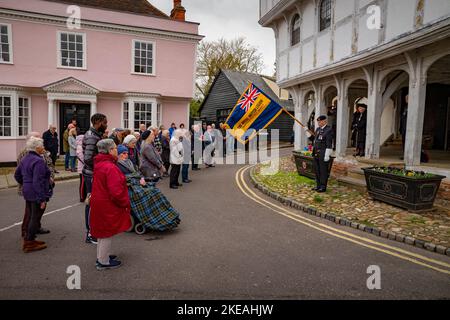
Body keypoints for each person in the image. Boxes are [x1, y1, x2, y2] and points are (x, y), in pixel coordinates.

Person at [89, 139, 131, 270]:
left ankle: (102, 256)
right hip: (107, 203)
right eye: (114, 148)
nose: (116, 150)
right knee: (107, 232)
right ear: (109, 150)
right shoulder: (110, 167)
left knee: (102, 232)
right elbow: (116, 191)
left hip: (100, 200)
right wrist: (125, 202)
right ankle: (103, 261)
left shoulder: (101, 164)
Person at [14, 137, 53, 253]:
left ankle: (30, 239)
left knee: (31, 215)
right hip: (36, 191)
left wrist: (25, 183)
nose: (43, 147)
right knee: (34, 217)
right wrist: (42, 199)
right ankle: (29, 242)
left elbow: (17, 175)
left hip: (28, 190)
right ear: (37, 148)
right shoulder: (38, 161)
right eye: (42, 146)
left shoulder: (25, 158)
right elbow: (38, 181)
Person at [82, 113, 108, 244]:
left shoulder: (95, 135)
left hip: (93, 173)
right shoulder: (92, 137)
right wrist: (102, 166)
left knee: (94, 203)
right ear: (98, 122)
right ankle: (91, 234)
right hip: (91, 174)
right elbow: (87, 158)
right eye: (105, 122)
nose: (106, 124)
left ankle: (93, 230)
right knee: (92, 203)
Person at [305, 115, 333, 193]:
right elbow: (313, 139)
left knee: (323, 170)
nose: (319, 123)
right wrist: (307, 131)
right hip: (316, 152)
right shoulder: (318, 129)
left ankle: (323, 187)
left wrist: (327, 154)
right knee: (317, 170)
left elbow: (329, 143)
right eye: (318, 122)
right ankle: (318, 185)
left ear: (325, 121)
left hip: (323, 153)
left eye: (320, 121)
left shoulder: (328, 130)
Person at [76, 134, 86, 202]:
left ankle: (84, 195)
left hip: (84, 167)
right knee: (82, 183)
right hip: (82, 167)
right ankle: (82, 197)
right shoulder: (79, 147)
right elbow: (81, 157)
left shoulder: (82, 146)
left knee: (84, 183)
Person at [400, 94, 409, 160]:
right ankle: (404, 155)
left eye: (408, 98)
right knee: (404, 142)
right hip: (404, 128)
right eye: (406, 98)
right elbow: (402, 118)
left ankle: (408, 156)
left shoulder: (412, 107)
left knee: (408, 142)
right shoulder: (405, 107)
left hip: (409, 128)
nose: (406, 100)